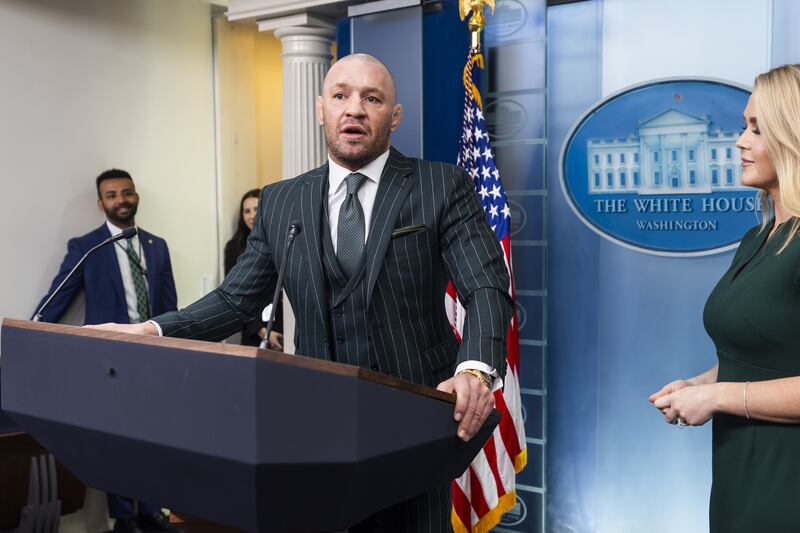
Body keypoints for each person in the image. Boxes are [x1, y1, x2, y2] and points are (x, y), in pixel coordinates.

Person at [93, 54, 513, 533]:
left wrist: (476, 369)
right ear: (320, 110)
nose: (354, 109)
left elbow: (486, 285)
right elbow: (236, 299)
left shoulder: (441, 185)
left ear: (394, 116)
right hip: (315, 426)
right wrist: (152, 329)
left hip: (413, 424)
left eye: (371, 98)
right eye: (340, 96)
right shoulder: (280, 199)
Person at [649, 64, 800, 532]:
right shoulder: (757, 238)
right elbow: (766, 349)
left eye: (757, 129)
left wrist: (719, 397)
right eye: (743, 125)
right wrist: (701, 384)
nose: (740, 140)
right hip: (739, 474)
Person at [34, 169, 180, 533]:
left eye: (126, 193)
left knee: (154, 435)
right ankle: (124, 517)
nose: (121, 200)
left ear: (137, 196)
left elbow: (171, 306)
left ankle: (150, 510)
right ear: (101, 203)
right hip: (109, 360)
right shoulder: (87, 246)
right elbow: (58, 298)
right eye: (112, 195)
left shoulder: (156, 245)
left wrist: (179, 348)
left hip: (153, 357)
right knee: (114, 440)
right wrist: (30, 333)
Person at [223, 189, 283, 349]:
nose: (252, 215)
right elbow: (235, 296)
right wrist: (262, 331)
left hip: (285, 327)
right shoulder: (234, 247)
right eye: (247, 211)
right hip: (253, 331)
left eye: (256, 209)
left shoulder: (281, 240)